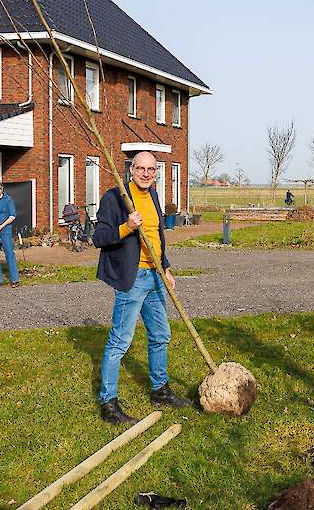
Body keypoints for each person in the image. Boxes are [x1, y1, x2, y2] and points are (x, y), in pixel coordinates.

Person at [92, 151, 189, 424]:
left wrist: (166, 268)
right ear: (130, 170)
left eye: (151, 169)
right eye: (141, 168)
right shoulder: (116, 197)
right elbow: (98, 237)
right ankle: (109, 404)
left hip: (155, 276)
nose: (146, 173)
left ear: (155, 172)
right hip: (132, 278)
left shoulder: (154, 196)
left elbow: (156, 237)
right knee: (120, 341)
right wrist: (126, 226)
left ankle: (160, 389)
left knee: (161, 334)